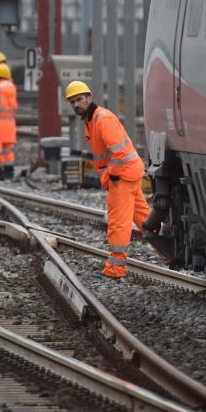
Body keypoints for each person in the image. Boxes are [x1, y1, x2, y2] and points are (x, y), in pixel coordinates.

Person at [64, 80, 149, 279]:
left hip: (122, 175)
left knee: (118, 221)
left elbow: (119, 152)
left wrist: (111, 175)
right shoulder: (91, 119)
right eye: (72, 101)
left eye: (79, 99)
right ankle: (170, 252)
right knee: (144, 219)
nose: (76, 104)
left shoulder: (102, 119)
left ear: (89, 98)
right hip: (126, 172)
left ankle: (116, 268)